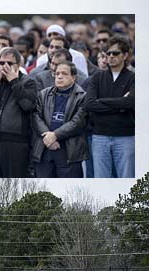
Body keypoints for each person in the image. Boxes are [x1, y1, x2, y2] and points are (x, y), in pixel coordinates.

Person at [0, 47, 37, 177]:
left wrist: (14, 81)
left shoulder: (28, 82)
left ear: (18, 65)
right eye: (1, 63)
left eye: (9, 63)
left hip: (16, 143)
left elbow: (27, 105)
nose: (5, 66)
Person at [85, 35, 135, 178]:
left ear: (125, 55)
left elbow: (130, 102)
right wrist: (119, 104)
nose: (111, 56)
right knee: (100, 178)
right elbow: (89, 104)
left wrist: (102, 101)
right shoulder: (97, 77)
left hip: (126, 136)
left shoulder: (133, 77)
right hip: (100, 135)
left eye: (115, 53)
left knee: (127, 178)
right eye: (108, 53)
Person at [32, 61, 87, 178]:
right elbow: (35, 116)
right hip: (45, 148)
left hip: (69, 151)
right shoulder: (43, 94)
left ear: (73, 77)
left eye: (64, 74)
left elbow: (78, 122)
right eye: (57, 74)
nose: (60, 77)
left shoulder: (82, 96)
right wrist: (48, 137)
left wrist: (55, 135)